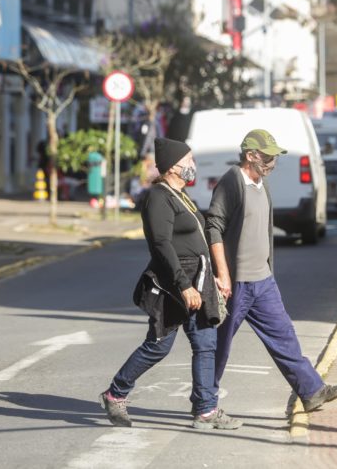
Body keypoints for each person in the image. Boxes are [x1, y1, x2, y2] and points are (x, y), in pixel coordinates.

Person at [100, 137, 242, 431]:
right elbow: (162, 245)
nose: (193, 166)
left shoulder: (181, 195)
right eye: (189, 160)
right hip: (173, 286)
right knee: (158, 346)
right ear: (174, 167)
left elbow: (194, 240)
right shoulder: (159, 198)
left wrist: (209, 277)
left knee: (205, 343)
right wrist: (184, 285)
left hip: (197, 280)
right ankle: (115, 393)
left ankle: (205, 410)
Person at [206, 129, 337, 414]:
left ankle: (312, 391)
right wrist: (223, 274)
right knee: (219, 345)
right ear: (250, 155)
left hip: (263, 280)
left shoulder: (261, 183)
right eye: (267, 157)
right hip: (237, 283)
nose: (272, 163)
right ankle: (204, 403)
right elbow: (214, 227)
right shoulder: (232, 182)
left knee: (284, 336)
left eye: (274, 158)